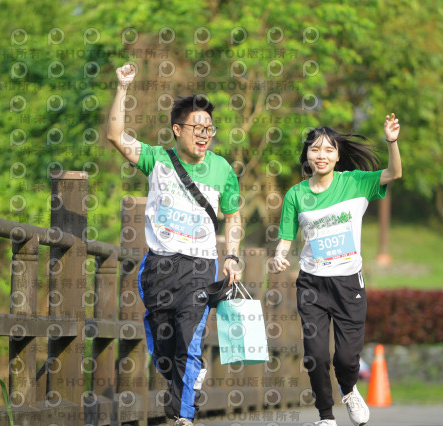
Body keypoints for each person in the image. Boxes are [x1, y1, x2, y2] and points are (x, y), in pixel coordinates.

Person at [107, 65, 242, 426]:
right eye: (197, 129)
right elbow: (116, 136)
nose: (205, 135)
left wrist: (231, 256)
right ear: (178, 130)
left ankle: (184, 417)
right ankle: (180, 380)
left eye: (209, 129)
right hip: (159, 268)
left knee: (188, 340)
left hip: (200, 268)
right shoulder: (157, 160)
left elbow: (232, 216)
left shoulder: (223, 170)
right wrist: (123, 87)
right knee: (165, 350)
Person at [270, 115, 402, 426]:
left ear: (337, 155)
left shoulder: (355, 183)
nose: (321, 155)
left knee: (345, 358)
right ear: (307, 156)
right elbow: (286, 238)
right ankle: (326, 416)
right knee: (315, 355)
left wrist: (392, 141)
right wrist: (278, 257)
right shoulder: (295, 195)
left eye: (328, 150)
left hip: (347, 284)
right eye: (315, 150)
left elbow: (395, 173)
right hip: (312, 284)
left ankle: (350, 388)